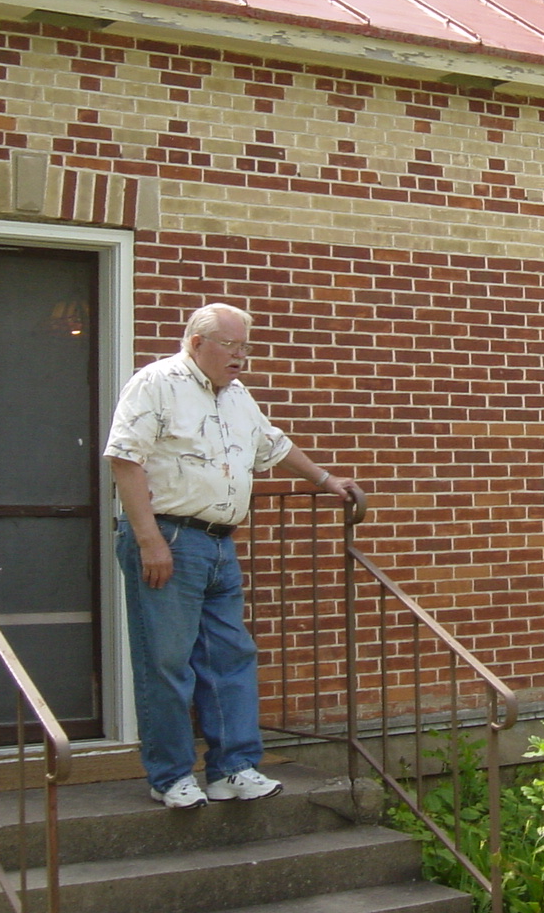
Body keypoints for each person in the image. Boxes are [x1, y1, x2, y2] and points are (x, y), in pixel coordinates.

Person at [105, 302, 362, 810]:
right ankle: (171, 775)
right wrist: (149, 538)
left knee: (230, 657)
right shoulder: (156, 384)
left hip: (221, 543)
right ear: (197, 343)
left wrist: (328, 481)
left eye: (246, 346)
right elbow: (124, 457)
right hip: (170, 541)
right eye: (231, 345)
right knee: (168, 662)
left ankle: (234, 768)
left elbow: (274, 445)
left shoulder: (237, 396)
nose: (241, 357)